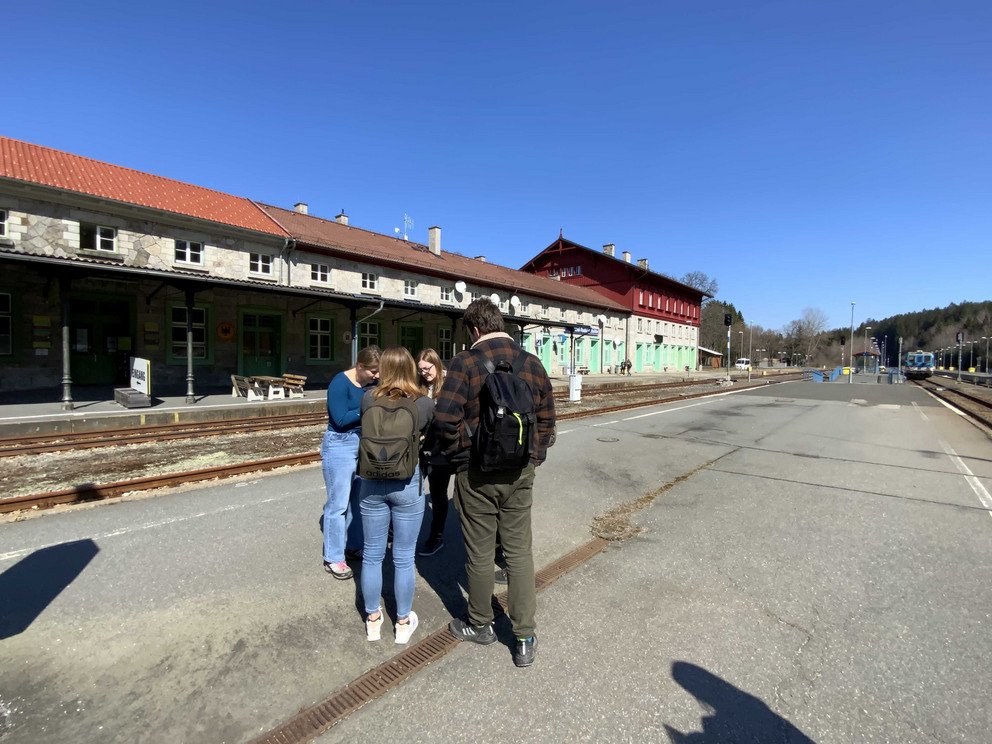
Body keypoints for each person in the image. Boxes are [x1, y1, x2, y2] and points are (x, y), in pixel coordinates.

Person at [434, 298, 556, 668]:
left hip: (476, 474)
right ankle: (524, 638)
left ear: (474, 329)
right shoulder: (532, 364)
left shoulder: (464, 363)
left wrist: (461, 455)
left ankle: (481, 624)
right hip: (520, 474)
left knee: (480, 553)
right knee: (519, 554)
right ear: (500, 323)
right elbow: (548, 421)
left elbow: (443, 419)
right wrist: (531, 458)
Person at [358, 346, 434, 644]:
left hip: (371, 483)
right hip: (406, 484)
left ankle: (373, 620)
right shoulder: (423, 403)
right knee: (403, 558)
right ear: (410, 370)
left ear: (385, 370)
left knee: (372, 555)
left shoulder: (367, 398)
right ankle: (402, 622)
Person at [320, 345, 380, 580]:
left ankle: (354, 545)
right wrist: (368, 406)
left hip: (362, 443)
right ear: (360, 366)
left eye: (378, 372)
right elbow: (340, 418)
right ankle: (334, 557)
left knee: (357, 499)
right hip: (340, 444)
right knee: (338, 504)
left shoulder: (371, 385)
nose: (376, 376)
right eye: (373, 371)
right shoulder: (339, 383)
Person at [416, 348, 451, 556]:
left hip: (441, 450)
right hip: (422, 449)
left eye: (427, 369)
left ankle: (436, 537)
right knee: (414, 491)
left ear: (436, 365)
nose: (424, 373)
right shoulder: (420, 386)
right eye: (420, 370)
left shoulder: (448, 385)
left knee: (438, 495)